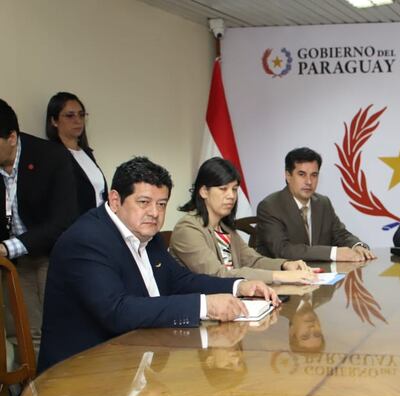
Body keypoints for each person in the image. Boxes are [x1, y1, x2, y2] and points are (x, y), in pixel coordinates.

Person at [38, 157, 279, 373]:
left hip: (139, 358)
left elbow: (180, 281)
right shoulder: (87, 240)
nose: (154, 213)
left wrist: (239, 286)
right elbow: (117, 311)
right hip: (82, 373)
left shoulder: (145, 233)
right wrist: (206, 306)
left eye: (161, 204)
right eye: (144, 202)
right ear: (115, 200)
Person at [0, 98, 77, 354]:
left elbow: (63, 221)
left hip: (50, 254)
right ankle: (30, 378)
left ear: (12, 137)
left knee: (54, 329)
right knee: (20, 333)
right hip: (12, 263)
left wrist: (8, 247)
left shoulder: (50, 157)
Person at [170, 157, 317, 284]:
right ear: (204, 191)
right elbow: (218, 275)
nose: (231, 196)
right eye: (223, 189)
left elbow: (253, 261)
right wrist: (278, 276)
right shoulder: (187, 229)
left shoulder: (225, 228)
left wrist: (285, 265)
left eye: (234, 189)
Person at [255, 147, 375, 262]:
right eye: (302, 174)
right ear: (288, 176)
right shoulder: (270, 206)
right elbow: (282, 250)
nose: (309, 181)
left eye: (314, 175)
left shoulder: (323, 203)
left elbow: (340, 235)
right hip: (280, 274)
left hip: (320, 273)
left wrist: (356, 246)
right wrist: (333, 253)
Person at [46, 92, 108, 215]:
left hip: (99, 220)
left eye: (81, 115)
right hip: (77, 223)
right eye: (70, 116)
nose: (78, 121)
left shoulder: (87, 153)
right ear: (54, 121)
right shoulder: (52, 156)